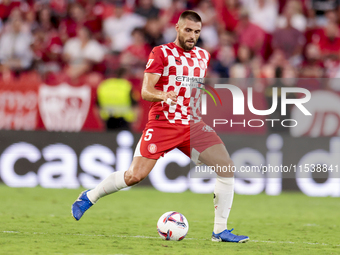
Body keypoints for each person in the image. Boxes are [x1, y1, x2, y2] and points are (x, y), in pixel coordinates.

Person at [71, 10, 249, 243]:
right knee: (135, 175)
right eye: (188, 30)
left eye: (196, 32)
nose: (192, 36)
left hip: (193, 125)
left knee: (226, 169)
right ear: (177, 28)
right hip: (164, 123)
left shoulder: (203, 56)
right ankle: (89, 196)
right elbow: (146, 91)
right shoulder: (161, 53)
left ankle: (219, 231)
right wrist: (164, 95)